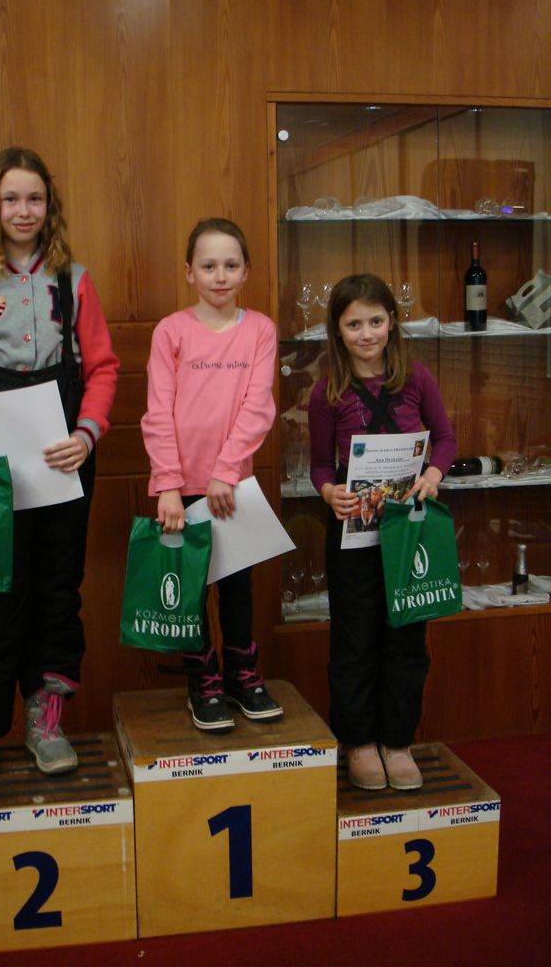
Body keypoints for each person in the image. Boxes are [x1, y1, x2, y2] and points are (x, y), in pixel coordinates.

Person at [0, 147, 119, 780]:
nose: (23, 210)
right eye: (11, 198)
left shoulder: (74, 280)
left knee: (57, 591)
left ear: (49, 207)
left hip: (65, 461)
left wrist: (87, 435)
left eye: (35, 198)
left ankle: (46, 721)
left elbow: (103, 370)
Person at [308, 273, 456, 790]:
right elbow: (319, 466)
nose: (366, 333)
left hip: (407, 529)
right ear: (337, 329)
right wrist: (329, 493)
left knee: (407, 636)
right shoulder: (327, 391)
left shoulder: (416, 378)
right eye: (354, 324)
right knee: (355, 639)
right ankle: (359, 742)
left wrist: (433, 475)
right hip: (352, 529)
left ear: (392, 321)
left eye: (375, 321)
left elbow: (446, 439)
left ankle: (397, 741)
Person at [141, 217, 283, 732]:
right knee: (193, 589)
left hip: (233, 485)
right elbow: (158, 411)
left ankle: (243, 676)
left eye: (230, 265)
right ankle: (203, 682)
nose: (220, 276)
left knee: (238, 586)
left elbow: (258, 407)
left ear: (246, 271)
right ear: (189, 272)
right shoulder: (170, 332)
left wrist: (226, 471)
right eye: (208, 266)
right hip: (181, 487)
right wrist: (168, 485)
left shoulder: (260, 330)